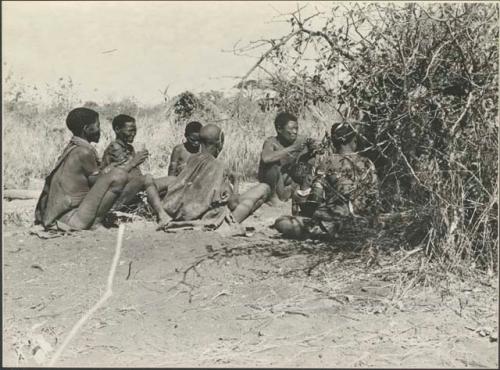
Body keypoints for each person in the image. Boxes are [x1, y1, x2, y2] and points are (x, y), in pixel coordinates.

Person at [34, 108, 141, 230]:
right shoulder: (84, 152)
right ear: (86, 129)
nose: (100, 130)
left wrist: (108, 169)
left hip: (63, 215)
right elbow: (97, 183)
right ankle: (96, 223)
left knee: (116, 173)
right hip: (72, 218)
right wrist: (130, 165)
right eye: (97, 126)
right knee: (119, 176)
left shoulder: (74, 146)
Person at [274, 121, 379, 239]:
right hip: (367, 220)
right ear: (353, 140)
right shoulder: (368, 163)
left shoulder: (327, 162)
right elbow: (375, 195)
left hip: (338, 220)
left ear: (334, 142)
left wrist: (302, 193)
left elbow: (315, 198)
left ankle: (322, 233)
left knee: (281, 221)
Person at [161, 124, 270, 230]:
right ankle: (232, 224)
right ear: (219, 144)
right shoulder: (218, 167)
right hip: (210, 220)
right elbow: (233, 204)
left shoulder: (191, 159)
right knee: (263, 190)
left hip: (183, 214)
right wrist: (236, 182)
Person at [101, 114, 172, 225]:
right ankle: (162, 215)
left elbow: (136, 174)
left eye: (135, 130)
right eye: (130, 130)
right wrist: (135, 162)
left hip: (133, 190)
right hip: (116, 197)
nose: (133, 134)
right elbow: (120, 175)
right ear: (117, 130)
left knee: (172, 179)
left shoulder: (129, 148)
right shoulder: (115, 147)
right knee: (147, 178)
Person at [257, 112, 314, 205]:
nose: (295, 132)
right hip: (273, 181)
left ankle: (301, 190)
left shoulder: (300, 140)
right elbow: (266, 158)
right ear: (279, 129)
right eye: (291, 129)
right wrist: (293, 148)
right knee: (272, 164)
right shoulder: (271, 142)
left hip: (289, 179)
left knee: (310, 157)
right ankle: (273, 197)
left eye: (296, 128)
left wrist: (313, 148)